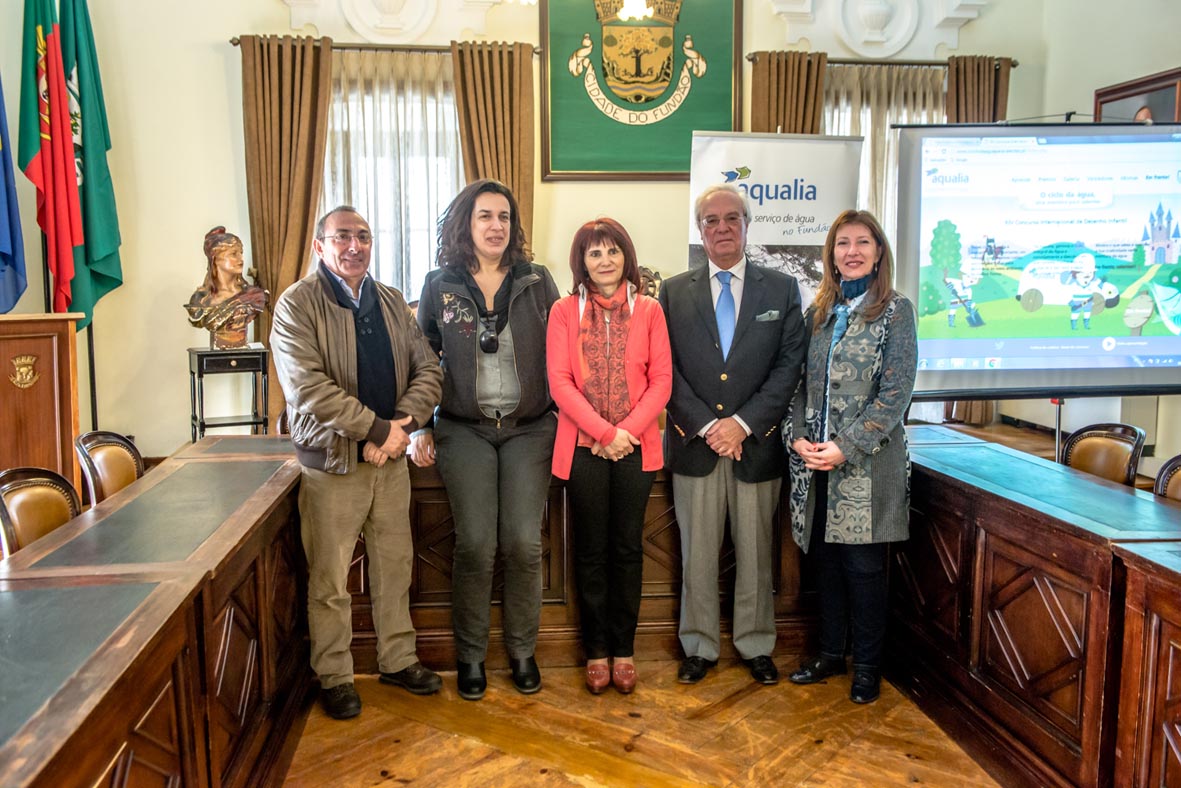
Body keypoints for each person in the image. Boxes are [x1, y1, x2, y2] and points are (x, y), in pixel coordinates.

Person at [270, 206, 444, 720]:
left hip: (390, 463)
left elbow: (428, 371)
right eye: (342, 236)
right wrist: (378, 429)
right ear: (319, 245)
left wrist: (401, 430)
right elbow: (308, 389)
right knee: (329, 580)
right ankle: (335, 675)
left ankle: (398, 659)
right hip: (330, 465)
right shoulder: (295, 305)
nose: (354, 245)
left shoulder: (390, 300)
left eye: (363, 236)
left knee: (396, 566)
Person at [412, 179, 560, 701]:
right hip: (464, 429)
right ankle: (471, 656)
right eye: (484, 217)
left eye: (504, 217)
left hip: (530, 430)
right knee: (475, 544)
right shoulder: (440, 285)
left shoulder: (538, 281)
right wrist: (420, 426)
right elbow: (422, 361)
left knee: (522, 543)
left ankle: (522, 651)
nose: (496, 226)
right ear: (466, 225)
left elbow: (563, 353)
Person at [659, 184, 807, 686]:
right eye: (710, 221)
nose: (721, 228)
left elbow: (789, 367)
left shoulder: (782, 290)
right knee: (696, 555)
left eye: (731, 219)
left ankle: (755, 644)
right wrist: (707, 425)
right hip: (695, 445)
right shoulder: (674, 291)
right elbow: (666, 371)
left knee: (756, 554)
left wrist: (741, 424)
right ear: (699, 230)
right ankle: (698, 646)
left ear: (746, 225)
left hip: (755, 445)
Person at [785, 209, 918, 705]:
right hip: (815, 464)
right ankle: (828, 654)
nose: (852, 251)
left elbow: (896, 393)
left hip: (866, 464)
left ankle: (866, 666)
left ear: (878, 251)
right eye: (843, 243)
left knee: (863, 569)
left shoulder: (896, 311)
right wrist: (798, 437)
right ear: (831, 253)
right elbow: (798, 385)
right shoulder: (818, 312)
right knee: (825, 564)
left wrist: (848, 445)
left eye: (863, 242)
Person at [547, 218, 672, 694]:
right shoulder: (563, 311)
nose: (605, 261)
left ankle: (625, 651)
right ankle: (595, 652)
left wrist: (624, 433)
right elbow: (560, 383)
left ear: (626, 256)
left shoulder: (651, 311)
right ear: (581, 260)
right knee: (592, 552)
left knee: (627, 550)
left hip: (636, 449)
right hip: (582, 449)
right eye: (594, 253)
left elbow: (662, 381)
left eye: (613, 251)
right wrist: (603, 432)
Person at [185, 226, 269, 349]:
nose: (241, 259)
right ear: (215, 259)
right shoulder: (200, 300)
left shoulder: (254, 296)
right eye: (233, 254)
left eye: (241, 253)